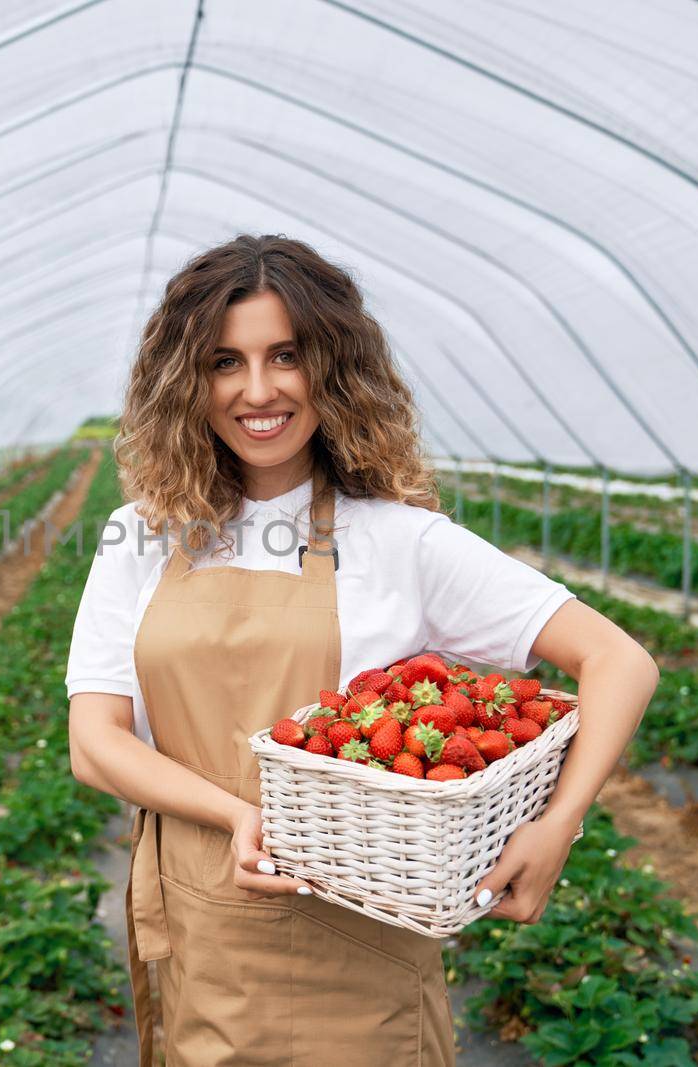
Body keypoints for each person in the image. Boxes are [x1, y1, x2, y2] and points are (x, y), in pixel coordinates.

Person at [65, 234, 659, 1066]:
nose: (259, 390)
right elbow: (95, 742)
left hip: (363, 954)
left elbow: (619, 661)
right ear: (186, 380)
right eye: (225, 361)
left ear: (334, 369)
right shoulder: (141, 536)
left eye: (287, 356)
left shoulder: (398, 539)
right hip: (205, 929)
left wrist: (559, 824)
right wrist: (237, 813)